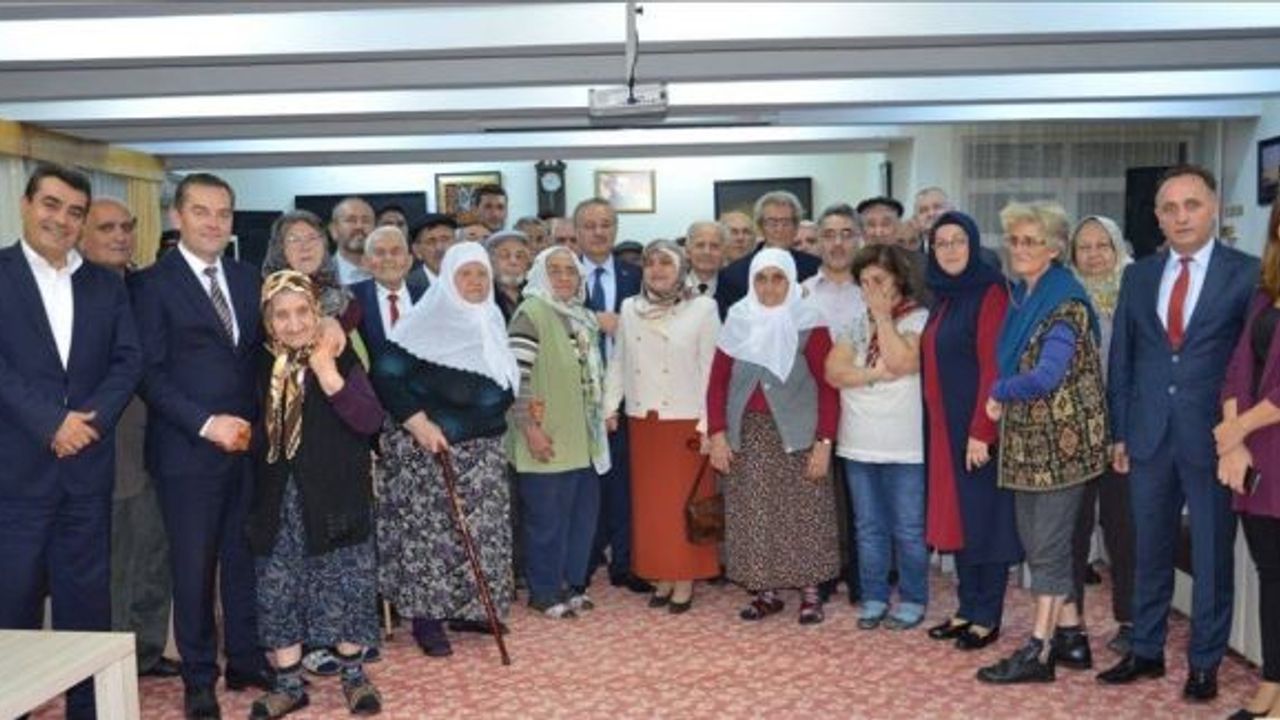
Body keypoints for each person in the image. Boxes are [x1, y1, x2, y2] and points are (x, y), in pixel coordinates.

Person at [1098, 165, 1259, 702]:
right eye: (1170, 208)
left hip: (1213, 437)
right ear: (1157, 217)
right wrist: (1120, 431)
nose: (1181, 216)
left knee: (1211, 553)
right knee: (1148, 547)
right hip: (1147, 434)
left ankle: (1204, 663)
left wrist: (1238, 434)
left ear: (1213, 208)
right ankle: (1145, 649)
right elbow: (1123, 359)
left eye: (1192, 205)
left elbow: (1251, 362)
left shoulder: (1247, 274)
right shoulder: (1139, 276)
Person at [0, 163, 143, 719]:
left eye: (74, 212)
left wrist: (88, 424)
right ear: (26, 204)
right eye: (51, 204)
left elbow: (127, 362)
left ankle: (88, 711)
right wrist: (50, 424)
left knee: (87, 607)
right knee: (12, 606)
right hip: (16, 475)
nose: (61, 219)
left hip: (87, 471)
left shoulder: (106, 284)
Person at [132, 172, 273, 719]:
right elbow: (148, 373)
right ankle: (198, 676)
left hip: (247, 448)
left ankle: (245, 658)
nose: (214, 223)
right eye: (201, 211)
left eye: (223, 213)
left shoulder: (247, 277)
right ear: (178, 216)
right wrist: (206, 423)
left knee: (242, 557)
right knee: (194, 567)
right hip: (186, 451)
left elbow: (261, 355)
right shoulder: (151, 284)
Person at [976, 200, 1109, 685]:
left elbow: (1047, 375)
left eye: (1030, 241)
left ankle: (1040, 650)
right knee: (1037, 544)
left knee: (1048, 550)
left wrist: (998, 392)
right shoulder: (1024, 296)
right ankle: (1072, 636)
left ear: (1054, 248)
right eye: (1014, 240)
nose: (1019, 249)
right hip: (1030, 447)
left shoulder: (1064, 303)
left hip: (1062, 448)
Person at [247, 271, 384, 719]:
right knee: (279, 588)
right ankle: (289, 684)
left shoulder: (338, 355)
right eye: (280, 315)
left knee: (346, 583)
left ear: (317, 312)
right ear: (267, 321)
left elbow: (370, 421)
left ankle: (354, 677)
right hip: (278, 498)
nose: (293, 324)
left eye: (302, 312)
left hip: (337, 492)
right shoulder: (259, 363)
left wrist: (327, 375)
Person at [372, 242, 519, 654]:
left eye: (481, 274)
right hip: (431, 453)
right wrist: (418, 423)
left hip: (483, 453)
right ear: (448, 281)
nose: (475, 282)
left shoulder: (491, 318)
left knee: (481, 534)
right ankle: (427, 620)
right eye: (465, 274)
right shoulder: (424, 322)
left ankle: (470, 608)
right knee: (431, 538)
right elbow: (384, 375)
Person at [707, 248, 840, 624]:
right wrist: (717, 433)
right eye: (761, 279)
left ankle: (810, 592)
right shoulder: (738, 320)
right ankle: (765, 591)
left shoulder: (809, 322)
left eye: (777, 278)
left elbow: (829, 387)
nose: (769, 287)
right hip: (749, 434)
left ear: (791, 280)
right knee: (756, 513)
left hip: (799, 435)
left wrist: (825, 442)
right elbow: (717, 383)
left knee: (805, 513)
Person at [80, 197, 182, 679]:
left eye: (126, 227)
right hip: (106, 436)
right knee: (116, 553)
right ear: (82, 234)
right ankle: (113, 658)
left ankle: (146, 648)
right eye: (107, 228)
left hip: (160, 433)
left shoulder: (144, 285)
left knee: (154, 547)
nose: (120, 236)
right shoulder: (73, 290)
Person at [918, 211, 1019, 651]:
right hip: (945, 430)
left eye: (958, 240)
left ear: (974, 244)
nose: (950, 250)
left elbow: (994, 366)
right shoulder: (943, 296)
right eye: (941, 243)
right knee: (959, 518)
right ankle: (966, 607)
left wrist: (983, 430)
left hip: (977, 429)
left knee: (985, 521)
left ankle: (987, 614)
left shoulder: (990, 291)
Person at [603, 240, 721, 612]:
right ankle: (663, 574)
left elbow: (712, 369)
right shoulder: (630, 308)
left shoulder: (703, 308)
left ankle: (684, 577)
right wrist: (610, 406)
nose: (657, 269)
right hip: (644, 421)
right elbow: (619, 361)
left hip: (686, 421)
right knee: (652, 508)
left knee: (684, 505)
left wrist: (709, 425)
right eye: (650, 262)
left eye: (666, 263)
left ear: (681, 268)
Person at [825, 244, 930, 631]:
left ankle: (914, 598)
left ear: (898, 280)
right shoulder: (856, 324)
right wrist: (874, 375)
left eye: (879, 281)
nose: (870, 290)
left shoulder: (917, 319)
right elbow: (834, 372)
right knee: (868, 528)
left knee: (908, 529)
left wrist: (884, 318)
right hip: (858, 441)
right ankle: (874, 596)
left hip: (904, 445)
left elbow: (903, 361)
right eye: (865, 282)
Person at [507, 245, 610, 617]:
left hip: (585, 440)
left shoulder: (582, 316)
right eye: (555, 270)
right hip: (545, 435)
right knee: (547, 521)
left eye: (571, 271)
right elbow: (515, 378)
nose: (565, 278)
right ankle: (545, 592)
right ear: (540, 275)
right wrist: (530, 428)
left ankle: (573, 584)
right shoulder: (531, 312)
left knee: (581, 519)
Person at [1215, 195, 1280, 720]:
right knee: (1272, 574)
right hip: (1257, 457)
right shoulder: (1264, 293)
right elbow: (1237, 367)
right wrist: (1233, 443)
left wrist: (1237, 428)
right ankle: (1272, 682)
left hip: (1265, 439)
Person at [1066, 215, 1137, 656]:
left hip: (1121, 433)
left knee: (1123, 529)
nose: (1093, 255)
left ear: (1117, 248)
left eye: (1102, 245)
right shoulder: (1065, 297)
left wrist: (1123, 431)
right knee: (1071, 530)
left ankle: (1130, 619)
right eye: (1085, 247)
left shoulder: (1136, 293)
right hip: (1074, 434)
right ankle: (1069, 622)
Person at [576, 198, 649, 593]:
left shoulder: (636, 276)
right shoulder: (561, 275)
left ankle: (625, 562)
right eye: (590, 225)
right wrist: (593, 321)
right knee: (585, 484)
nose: (599, 232)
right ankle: (583, 563)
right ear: (577, 231)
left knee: (625, 483)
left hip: (627, 396)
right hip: (577, 398)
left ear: (616, 229)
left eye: (605, 224)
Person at [262, 210, 367, 366]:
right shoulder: (266, 298)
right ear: (280, 249)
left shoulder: (344, 299)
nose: (305, 247)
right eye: (294, 239)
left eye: (312, 237)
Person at [714, 191, 821, 318]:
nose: (779, 229)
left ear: (796, 227)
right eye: (772, 223)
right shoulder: (733, 275)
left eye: (786, 222)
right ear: (760, 226)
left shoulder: (816, 268)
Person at [349, 226, 426, 363]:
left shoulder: (430, 298)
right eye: (379, 253)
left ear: (409, 261)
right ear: (366, 262)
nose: (388, 258)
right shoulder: (350, 298)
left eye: (396, 252)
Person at [487, 230, 532, 323]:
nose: (513, 262)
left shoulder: (535, 293)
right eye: (505, 256)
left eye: (519, 256)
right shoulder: (485, 295)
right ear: (491, 261)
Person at [329, 197, 375, 286]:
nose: (359, 226)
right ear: (333, 230)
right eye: (351, 220)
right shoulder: (316, 275)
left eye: (366, 221)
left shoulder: (393, 272)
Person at [406, 213, 458, 288]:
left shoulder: (470, 280)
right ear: (417, 250)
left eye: (445, 239)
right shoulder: (407, 287)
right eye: (430, 242)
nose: (439, 248)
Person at [684, 220, 724, 297]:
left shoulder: (736, 288)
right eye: (700, 245)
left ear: (724, 252)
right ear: (688, 251)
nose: (707, 252)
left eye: (714, 246)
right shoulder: (673, 287)